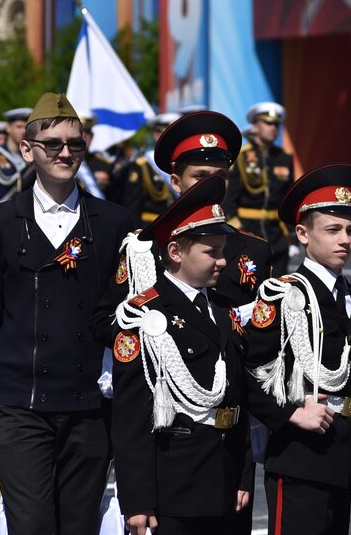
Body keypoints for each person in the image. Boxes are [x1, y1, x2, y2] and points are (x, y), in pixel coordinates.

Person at [0, 92, 133, 535]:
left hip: (90, 407)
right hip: (22, 405)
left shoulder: (115, 222)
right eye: (53, 143)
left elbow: (127, 321)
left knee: (79, 527)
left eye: (75, 144)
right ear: (27, 150)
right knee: (33, 526)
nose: (66, 152)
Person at [243, 164, 351, 534]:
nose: (345, 240)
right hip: (298, 455)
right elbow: (248, 371)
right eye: (333, 230)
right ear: (303, 234)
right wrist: (290, 412)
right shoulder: (282, 295)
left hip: (344, 456)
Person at [107, 174, 253, 535]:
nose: (222, 261)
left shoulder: (223, 307)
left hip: (224, 480)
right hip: (173, 487)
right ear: (175, 252)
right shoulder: (145, 316)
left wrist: (243, 475)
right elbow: (131, 418)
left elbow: (237, 400)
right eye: (211, 252)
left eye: (223, 251)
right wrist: (138, 501)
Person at [226, 102, 296, 275]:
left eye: (276, 124)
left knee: (278, 285)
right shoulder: (241, 156)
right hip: (248, 230)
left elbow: (290, 200)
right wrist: (236, 229)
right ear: (255, 126)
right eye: (268, 123)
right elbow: (229, 198)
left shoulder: (284, 158)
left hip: (277, 233)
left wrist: (292, 238)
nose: (273, 128)